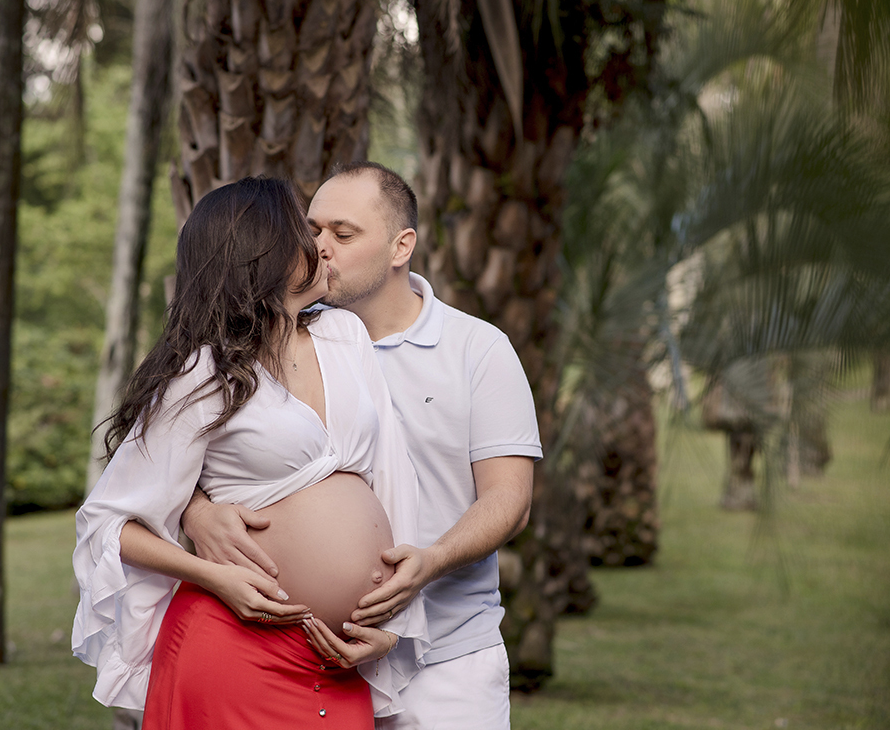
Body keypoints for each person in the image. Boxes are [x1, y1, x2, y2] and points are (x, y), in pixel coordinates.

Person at [183, 162, 540, 729]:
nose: (320, 247)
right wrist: (197, 513)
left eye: (343, 234)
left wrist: (432, 560)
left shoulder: (479, 349)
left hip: (445, 660)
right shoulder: (275, 335)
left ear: (402, 246)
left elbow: (509, 500)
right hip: (300, 662)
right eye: (313, 230)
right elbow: (180, 449)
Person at [71, 176, 429, 729]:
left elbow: (391, 478)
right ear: (263, 253)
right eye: (304, 233)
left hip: (340, 659)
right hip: (236, 646)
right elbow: (111, 524)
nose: (321, 246)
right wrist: (213, 575)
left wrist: (395, 627)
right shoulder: (203, 374)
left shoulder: (345, 336)